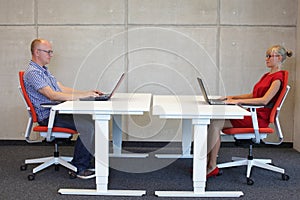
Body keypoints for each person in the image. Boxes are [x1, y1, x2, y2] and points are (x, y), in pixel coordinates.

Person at [206, 44, 292, 178]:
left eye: (269, 56)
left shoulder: (277, 79)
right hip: (251, 115)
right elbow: (254, 95)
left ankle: (211, 166)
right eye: (266, 56)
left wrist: (239, 102)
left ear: (279, 58)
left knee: (215, 124)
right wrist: (233, 97)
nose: (266, 59)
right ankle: (207, 163)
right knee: (213, 122)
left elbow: (264, 100)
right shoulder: (267, 76)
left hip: (258, 119)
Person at [24, 38, 102, 179]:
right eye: (48, 52)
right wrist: (82, 97)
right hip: (48, 116)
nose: (51, 55)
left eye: (51, 52)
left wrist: (86, 93)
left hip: (56, 112)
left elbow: (60, 88)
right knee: (88, 125)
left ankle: (85, 162)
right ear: (37, 52)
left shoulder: (43, 71)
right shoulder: (33, 73)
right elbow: (52, 95)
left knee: (93, 121)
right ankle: (79, 167)